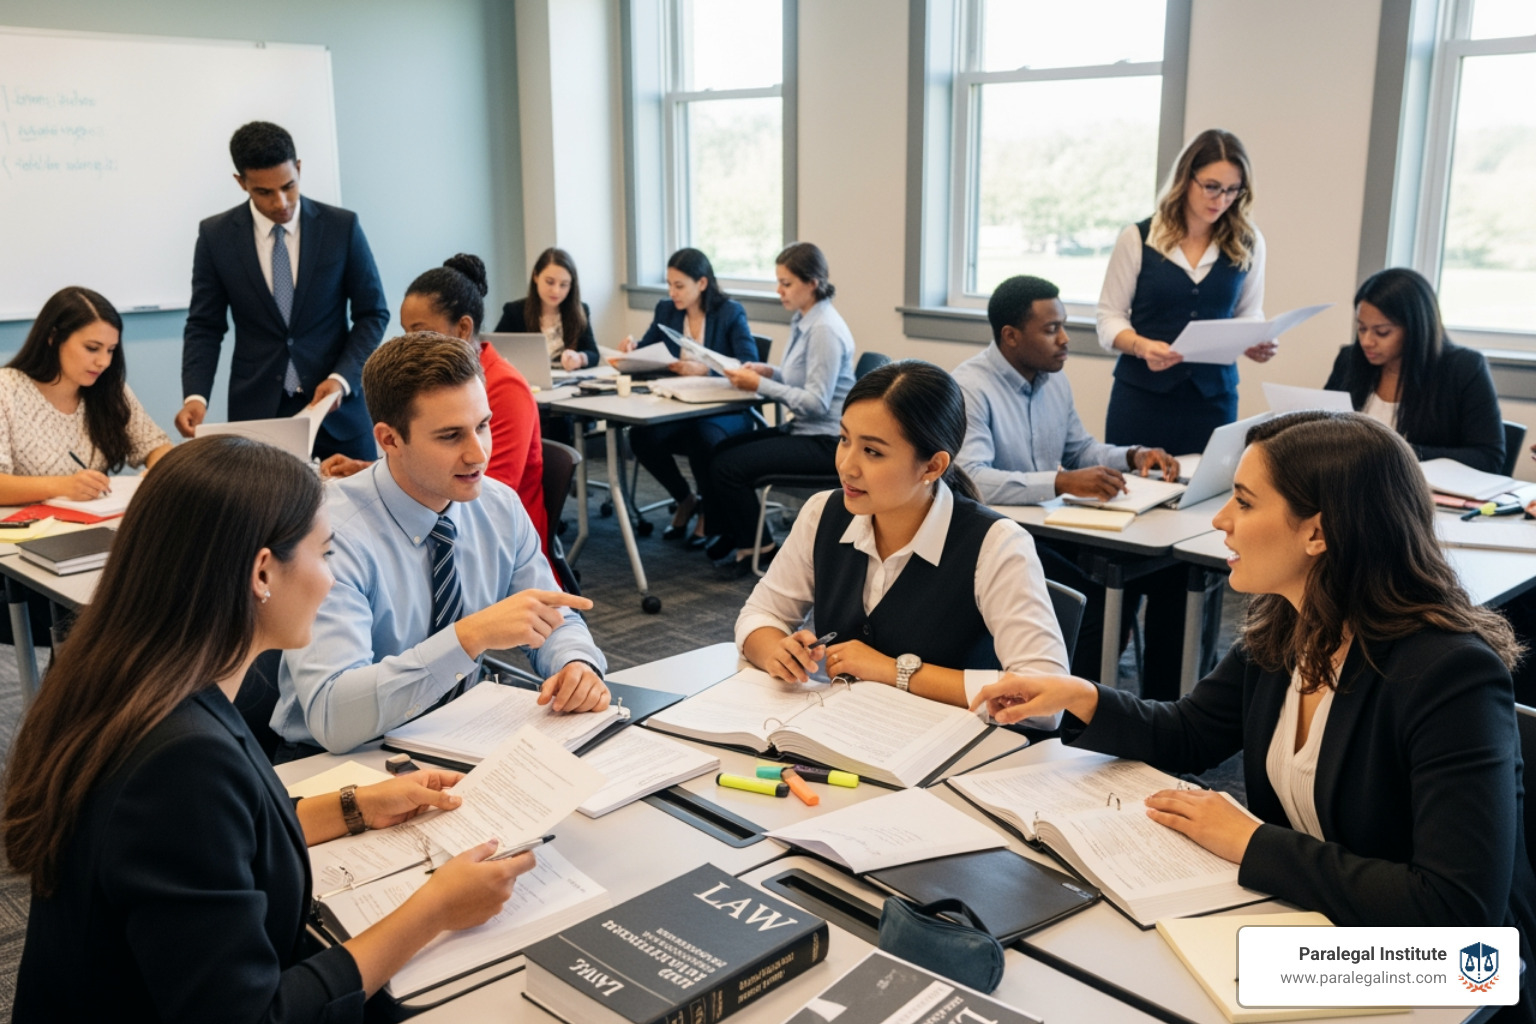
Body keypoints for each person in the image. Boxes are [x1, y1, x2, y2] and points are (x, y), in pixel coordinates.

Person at [972, 411, 1536, 1024]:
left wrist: (1251, 842)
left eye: (1242, 502)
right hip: (1314, 924)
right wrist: (1077, 695)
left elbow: (1456, 908)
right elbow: (1188, 733)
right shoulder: (1289, 624)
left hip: (1445, 975)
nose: (1219, 520)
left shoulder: (1449, 672)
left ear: (1317, 533)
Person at [4, 436, 536, 1021]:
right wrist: (433, 909)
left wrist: (354, 806)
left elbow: (212, 842)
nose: (332, 580)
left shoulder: (139, 681)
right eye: (325, 554)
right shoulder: (180, 762)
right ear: (263, 572)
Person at [273, 332, 608, 759]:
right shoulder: (330, 535)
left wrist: (576, 664)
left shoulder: (499, 506)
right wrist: (468, 638)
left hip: (459, 735)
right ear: (389, 439)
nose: (478, 454)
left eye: (483, 426)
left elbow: (554, 616)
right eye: (450, 436)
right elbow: (334, 718)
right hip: (341, 759)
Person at [736, 359, 1068, 721]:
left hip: (948, 753)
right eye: (844, 439)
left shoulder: (996, 544)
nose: (847, 465)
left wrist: (895, 672)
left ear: (932, 467)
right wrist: (775, 651)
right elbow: (761, 613)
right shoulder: (823, 513)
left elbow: (1045, 700)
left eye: (872, 451)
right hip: (847, 733)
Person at [952, 275, 1187, 696]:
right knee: (1093, 602)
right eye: (1050, 329)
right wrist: (1060, 481)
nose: (1065, 339)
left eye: (1063, 325)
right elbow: (975, 479)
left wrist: (1133, 455)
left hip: (1053, 527)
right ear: (1010, 336)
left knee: (1158, 578)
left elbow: (1080, 449)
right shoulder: (971, 387)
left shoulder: (1053, 379)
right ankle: (1072, 717)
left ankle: (1152, 713)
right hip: (996, 536)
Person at [177, 121, 389, 461]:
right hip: (258, 415)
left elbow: (373, 313)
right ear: (241, 183)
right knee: (263, 514)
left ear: (299, 168)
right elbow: (205, 325)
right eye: (264, 192)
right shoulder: (216, 236)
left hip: (337, 413)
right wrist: (196, 396)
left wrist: (341, 379)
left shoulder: (341, 227)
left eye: (289, 186)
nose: (281, 202)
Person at [320, 254, 550, 557]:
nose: (410, 342)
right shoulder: (433, 388)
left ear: (463, 328)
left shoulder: (504, 387)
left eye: (420, 330)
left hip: (495, 544)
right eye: (406, 331)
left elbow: (477, 488)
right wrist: (369, 472)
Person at [1097, 128, 1274, 455]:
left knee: (1205, 497)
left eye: (1232, 190)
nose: (1221, 200)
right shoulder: (1139, 238)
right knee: (1132, 494)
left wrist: (1252, 340)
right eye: (1211, 187)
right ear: (1186, 179)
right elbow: (1109, 317)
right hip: (1141, 399)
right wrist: (1141, 346)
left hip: (1213, 402)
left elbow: (1250, 312)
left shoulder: (1249, 242)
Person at [707, 242, 857, 572]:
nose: (779, 291)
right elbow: (799, 379)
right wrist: (770, 372)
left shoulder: (824, 330)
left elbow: (817, 403)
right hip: (804, 429)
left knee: (728, 466)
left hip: (826, 440)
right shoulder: (805, 319)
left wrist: (760, 385)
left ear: (812, 283)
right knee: (720, 450)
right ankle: (737, 534)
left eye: (786, 284)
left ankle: (761, 547)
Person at [621, 248, 758, 544]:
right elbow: (648, 353)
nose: (672, 292)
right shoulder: (666, 310)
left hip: (727, 410)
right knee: (641, 436)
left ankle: (710, 513)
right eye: (669, 284)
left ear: (703, 284)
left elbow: (748, 363)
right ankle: (685, 499)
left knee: (703, 438)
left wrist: (706, 370)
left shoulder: (730, 313)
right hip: (681, 405)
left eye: (679, 286)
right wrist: (634, 352)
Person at [0, 286, 172, 506]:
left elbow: (156, 446)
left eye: (110, 350)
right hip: (25, 531)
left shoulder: (110, 389)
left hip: (93, 524)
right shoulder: (6, 389)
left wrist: (159, 470)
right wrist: (62, 486)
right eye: (92, 348)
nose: (104, 362)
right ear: (53, 338)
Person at [1324, 267, 1503, 473]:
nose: (1366, 341)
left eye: (1382, 332)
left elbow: (1489, 458)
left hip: (1418, 494)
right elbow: (1324, 426)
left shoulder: (1464, 368)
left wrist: (1396, 451)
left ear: (1416, 329)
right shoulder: (1349, 360)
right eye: (1362, 328)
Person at [494, 246, 599, 371]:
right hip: (528, 382)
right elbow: (493, 350)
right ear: (536, 276)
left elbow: (593, 353)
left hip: (567, 383)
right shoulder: (514, 312)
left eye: (564, 285)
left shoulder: (580, 310)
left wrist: (580, 358)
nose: (556, 291)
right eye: (550, 282)